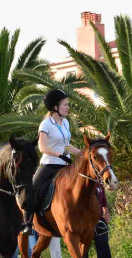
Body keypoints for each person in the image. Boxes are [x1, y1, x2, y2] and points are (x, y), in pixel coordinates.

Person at [22, 89, 82, 234]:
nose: (68, 107)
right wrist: (59, 155)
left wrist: (82, 153)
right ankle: (27, 223)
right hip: (49, 164)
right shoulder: (45, 124)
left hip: (65, 164)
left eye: (68, 104)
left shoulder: (65, 123)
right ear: (55, 107)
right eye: (65, 105)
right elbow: (42, 147)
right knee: (32, 189)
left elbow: (66, 145)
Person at [83, 183, 115, 258]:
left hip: (99, 219)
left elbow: (103, 199)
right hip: (85, 220)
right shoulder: (85, 183)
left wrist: (106, 211)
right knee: (83, 249)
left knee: (104, 246)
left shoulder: (100, 184)